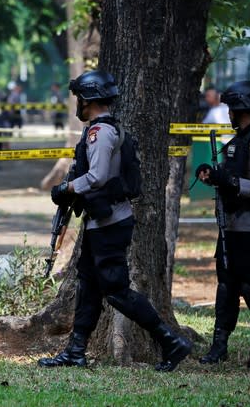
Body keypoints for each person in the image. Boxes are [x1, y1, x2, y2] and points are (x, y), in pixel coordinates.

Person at [38, 69, 191, 372]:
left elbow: (96, 177)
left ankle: (171, 341)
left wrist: (65, 188)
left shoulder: (101, 132)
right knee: (89, 287)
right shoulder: (100, 129)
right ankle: (76, 351)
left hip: (110, 225)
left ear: (87, 99)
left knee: (116, 290)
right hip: (99, 223)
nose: (77, 104)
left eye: (79, 98)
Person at [194, 80, 250, 370]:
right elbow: (231, 176)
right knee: (226, 287)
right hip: (229, 228)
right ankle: (219, 345)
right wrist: (213, 174)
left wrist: (231, 182)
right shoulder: (238, 141)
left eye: (232, 108)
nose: (229, 113)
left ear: (242, 109)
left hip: (249, 229)